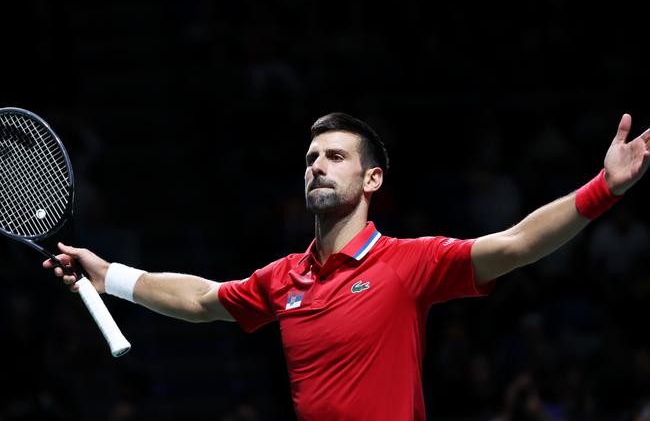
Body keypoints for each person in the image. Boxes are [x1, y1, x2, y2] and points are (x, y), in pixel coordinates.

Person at [44, 112, 650, 420]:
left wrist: (605, 189)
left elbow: (517, 243)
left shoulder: (409, 263)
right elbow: (202, 300)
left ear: (371, 179)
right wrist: (108, 276)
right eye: (311, 157)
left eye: (336, 156)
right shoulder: (282, 279)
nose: (317, 165)